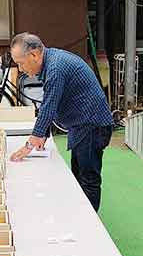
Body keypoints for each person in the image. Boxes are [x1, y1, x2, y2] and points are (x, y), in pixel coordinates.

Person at [9, 33, 113, 212]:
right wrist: (43, 134)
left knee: (88, 179)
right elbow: (52, 102)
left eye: (20, 63)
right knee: (78, 175)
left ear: (34, 55)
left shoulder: (56, 68)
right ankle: (81, 214)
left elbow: (49, 104)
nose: (20, 68)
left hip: (92, 125)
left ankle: (88, 223)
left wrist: (30, 143)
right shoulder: (52, 61)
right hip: (83, 124)